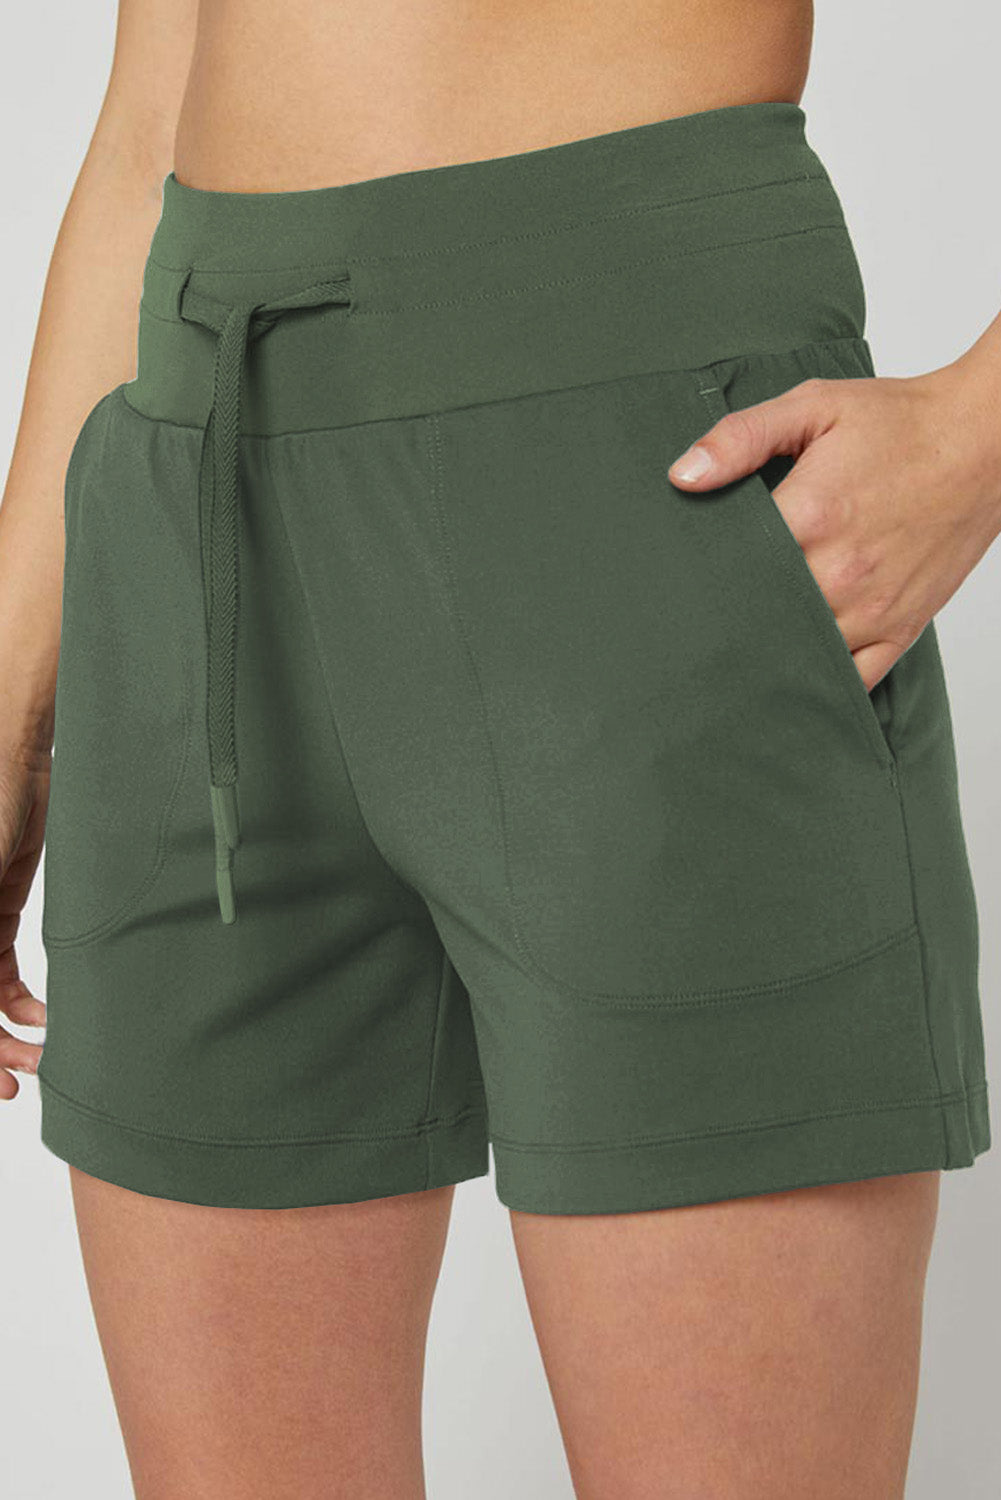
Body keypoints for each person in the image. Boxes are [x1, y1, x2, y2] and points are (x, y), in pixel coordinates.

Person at [0, 0, 994, 1494]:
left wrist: (978, 434)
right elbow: (152, 116)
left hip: (636, 481)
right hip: (190, 497)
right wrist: (10, 700)